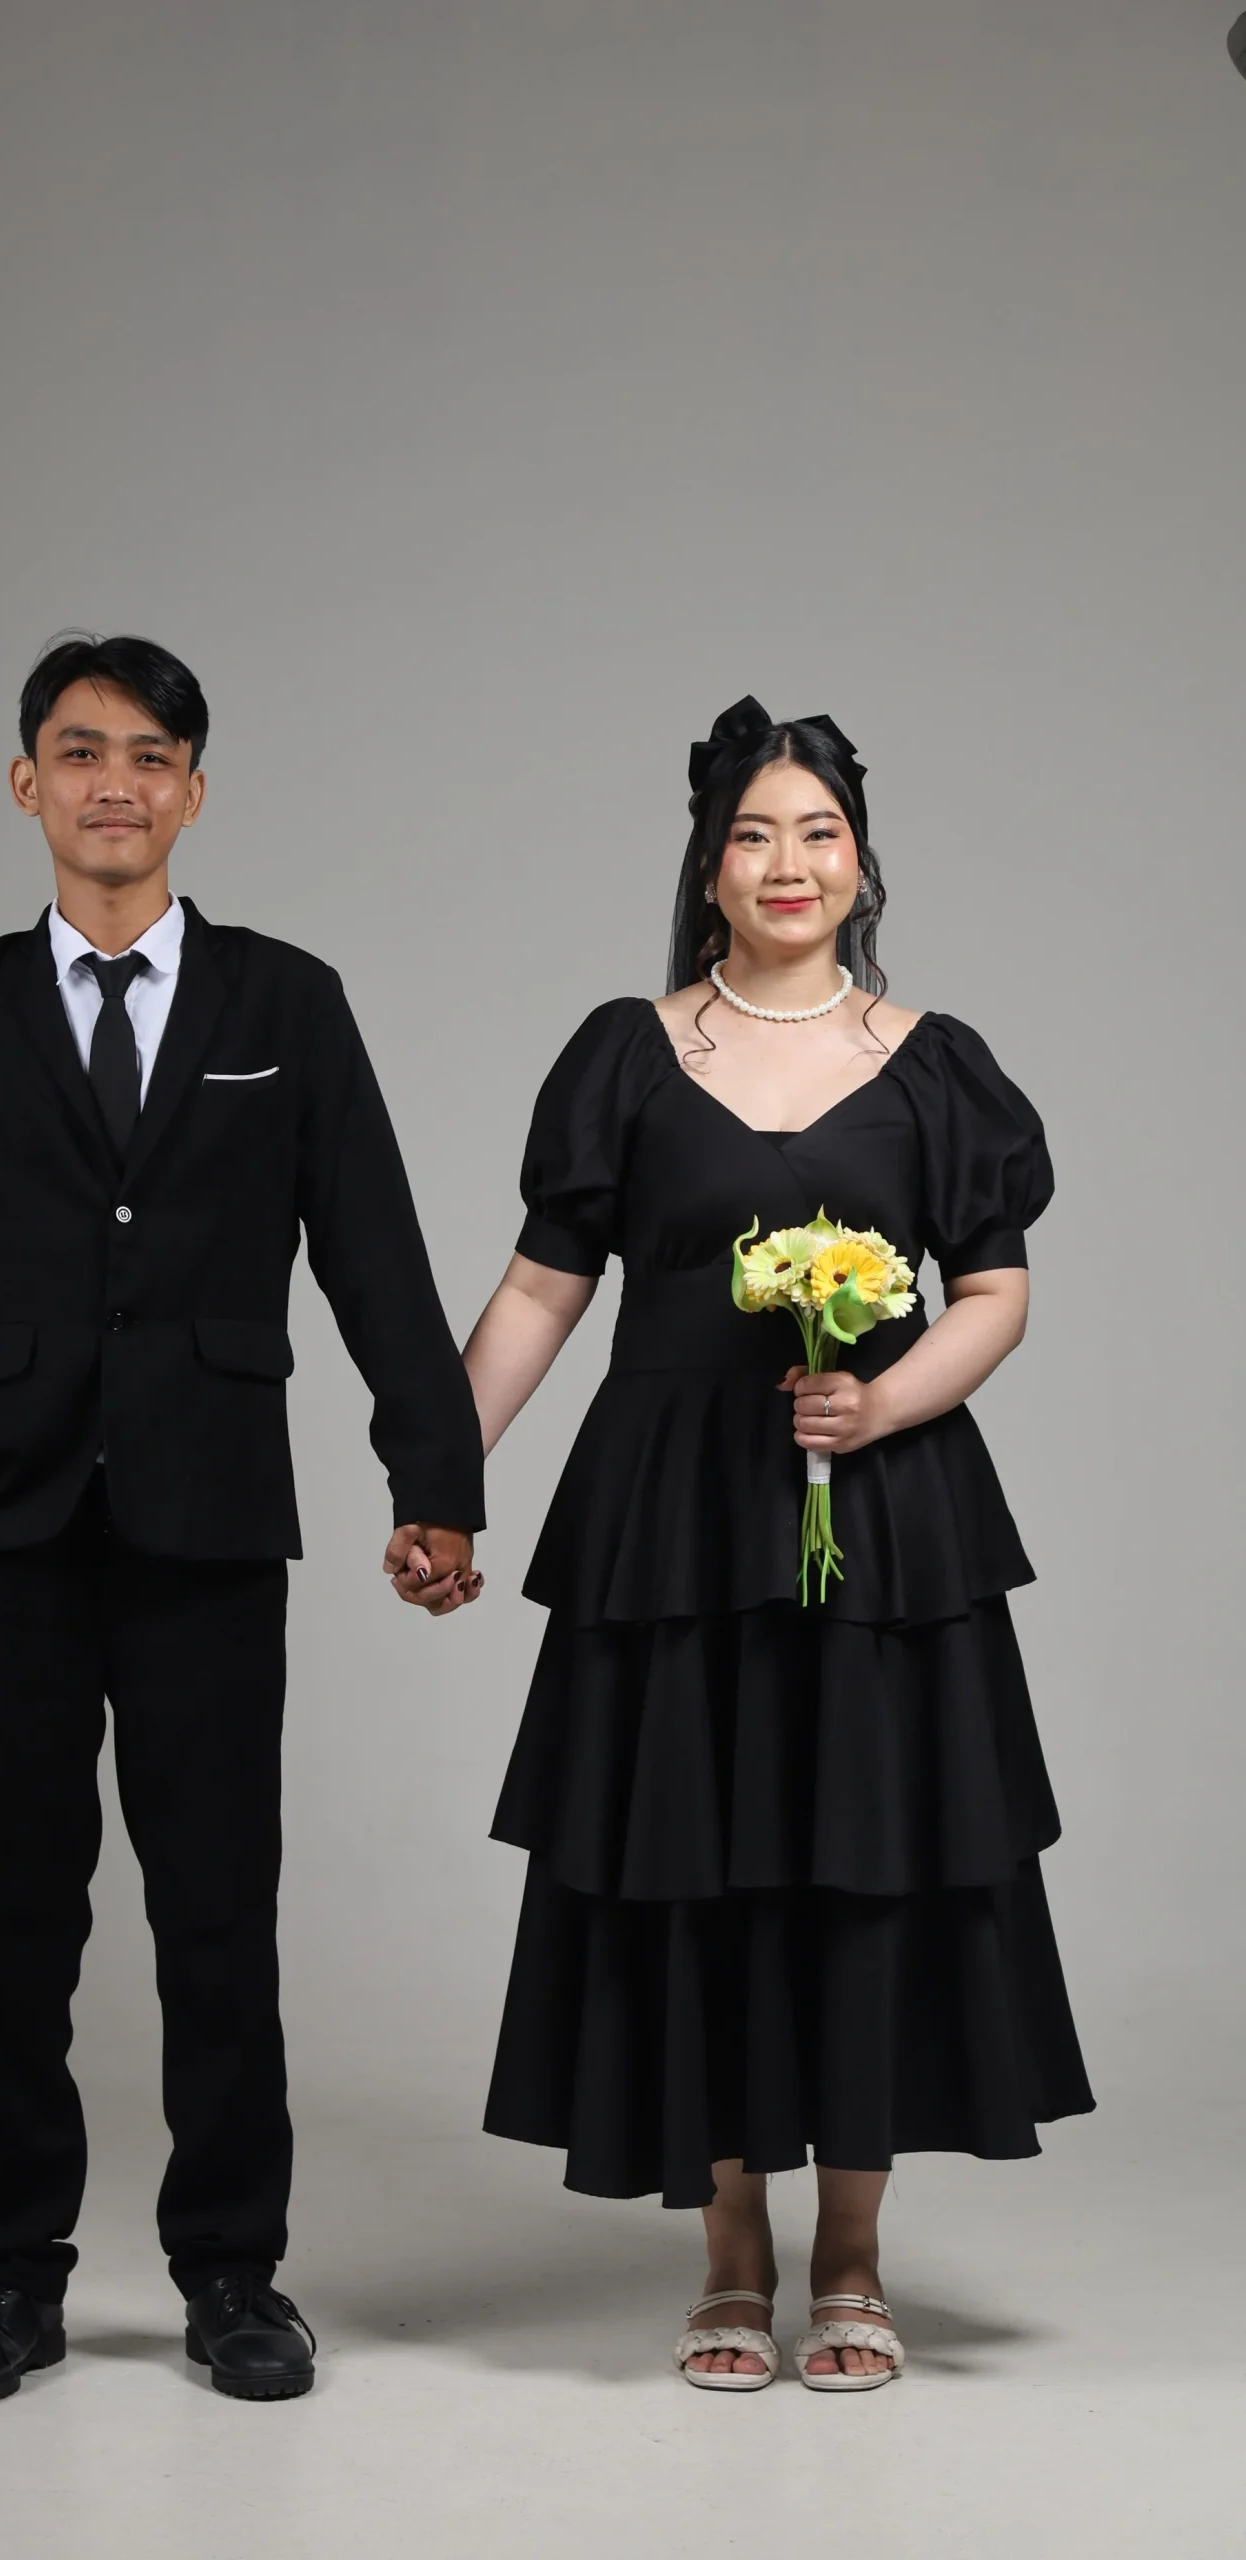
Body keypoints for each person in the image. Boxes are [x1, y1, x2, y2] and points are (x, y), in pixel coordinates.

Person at [0, 632, 483, 2408]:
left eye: (148, 754)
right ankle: (8, 2279)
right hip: (3, 1530)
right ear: (25, 783)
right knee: (13, 1925)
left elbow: (374, 1254)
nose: (112, 781)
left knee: (216, 1918)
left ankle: (232, 2273)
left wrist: (432, 1481)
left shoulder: (285, 1003)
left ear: (194, 791)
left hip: (208, 1522)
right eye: (78, 749)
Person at [455, 696, 1092, 2393]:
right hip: (669, 1520)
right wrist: (439, 1477)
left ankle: (853, 2257)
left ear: (861, 864)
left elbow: (993, 1292)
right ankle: (731, 2254)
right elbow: (540, 1289)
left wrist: (880, 1409)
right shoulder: (623, 1052)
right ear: (707, 866)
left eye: (816, 832)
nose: (785, 862)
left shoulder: (936, 1062)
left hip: (880, 1519)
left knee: (865, 1867)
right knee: (700, 1867)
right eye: (751, 834)